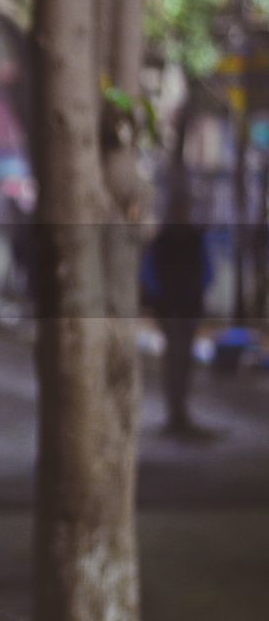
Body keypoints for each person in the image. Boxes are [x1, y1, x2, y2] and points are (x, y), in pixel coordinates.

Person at [142, 188, 213, 439]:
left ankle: (180, 412)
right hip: (172, 308)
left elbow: (207, 271)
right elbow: (149, 273)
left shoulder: (192, 237)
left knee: (181, 360)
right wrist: (161, 295)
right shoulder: (164, 239)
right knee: (174, 359)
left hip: (186, 306)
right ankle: (175, 412)